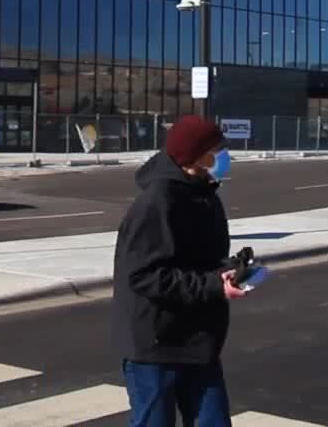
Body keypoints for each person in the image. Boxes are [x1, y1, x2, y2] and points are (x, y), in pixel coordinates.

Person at [112, 115, 247, 427]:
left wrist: (230, 270)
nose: (226, 155)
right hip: (156, 344)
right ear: (196, 155)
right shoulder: (157, 201)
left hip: (198, 341)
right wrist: (214, 285)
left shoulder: (205, 193)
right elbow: (143, 275)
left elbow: (199, 259)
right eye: (219, 149)